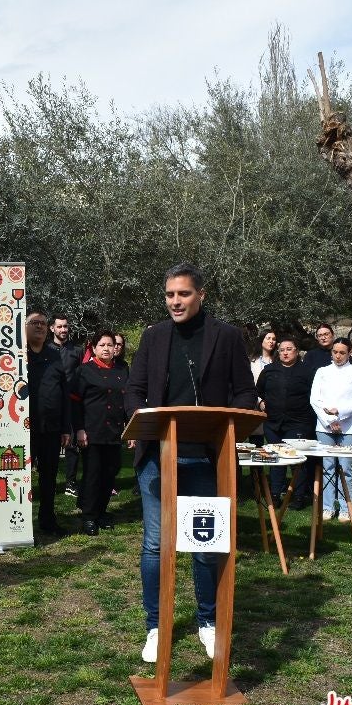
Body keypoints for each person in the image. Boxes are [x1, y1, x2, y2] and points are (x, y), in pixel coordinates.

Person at [125, 263, 256, 663]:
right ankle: (155, 625)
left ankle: (208, 622)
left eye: (183, 294)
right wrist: (139, 422)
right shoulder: (153, 337)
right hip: (158, 457)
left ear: (201, 295)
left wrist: (228, 421)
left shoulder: (229, 337)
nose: (175, 301)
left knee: (204, 545)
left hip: (206, 459)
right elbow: (135, 389)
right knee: (155, 545)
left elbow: (245, 393)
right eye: (169, 295)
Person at [71, 331, 131, 535]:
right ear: (94, 348)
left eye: (110, 345)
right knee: (93, 474)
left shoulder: (123, 370)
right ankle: (89, 516)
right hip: (92, 431)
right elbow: (75, 403)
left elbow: (127, 402)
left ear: (116, 348)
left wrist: (130, 429)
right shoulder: (84, 371)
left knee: (110, 473)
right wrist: (79, 429)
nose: (106, 348)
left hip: (114, 432)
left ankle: (101, 511)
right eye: (102, 345)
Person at [256, 337, 316, 509]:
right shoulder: (269, 370)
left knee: (296, 460)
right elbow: (258, 391)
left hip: (298, 423)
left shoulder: (307, 371)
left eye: (289, 349)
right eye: (282, 350)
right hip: (273, 423)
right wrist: (260, 403)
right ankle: (275, 495)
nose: (285, 352)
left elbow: (314, 396)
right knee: (275, 458)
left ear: (296, 351)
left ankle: (298, 496)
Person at [25, 310, 70, 537]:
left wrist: (65, 428)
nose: (40, 326)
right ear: (25, 327)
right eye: (34, 323)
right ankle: (21, 523)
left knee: (49, 476)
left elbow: (64, 392)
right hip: (23, 428)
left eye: (43, 323)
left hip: (51, 428)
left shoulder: (54, 356)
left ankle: (47, 519)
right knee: (21, 476)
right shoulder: (18, 356)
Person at [310, 338, 352, 522]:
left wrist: (339, 415)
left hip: (348, 427)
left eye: (342, 352)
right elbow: (315, 399)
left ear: (350, 353)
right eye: (335, 352)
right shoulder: (322, 371)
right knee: (328, 467)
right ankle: (327, 506)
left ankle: (345, 507)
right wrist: (329, 420)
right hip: (324, 427)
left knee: (346, 468)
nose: (338, 355)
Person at [51, 314, 84, 497]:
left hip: (71, 403)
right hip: (51, 404)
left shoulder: (77, 351)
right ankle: (49, 481)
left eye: (65, 326)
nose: (63, 330)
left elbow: (81, 375)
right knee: (50, 445)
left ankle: (70, 483)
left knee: (71, 445)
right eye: (59, 326)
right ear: (52, 329)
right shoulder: (46, 349)